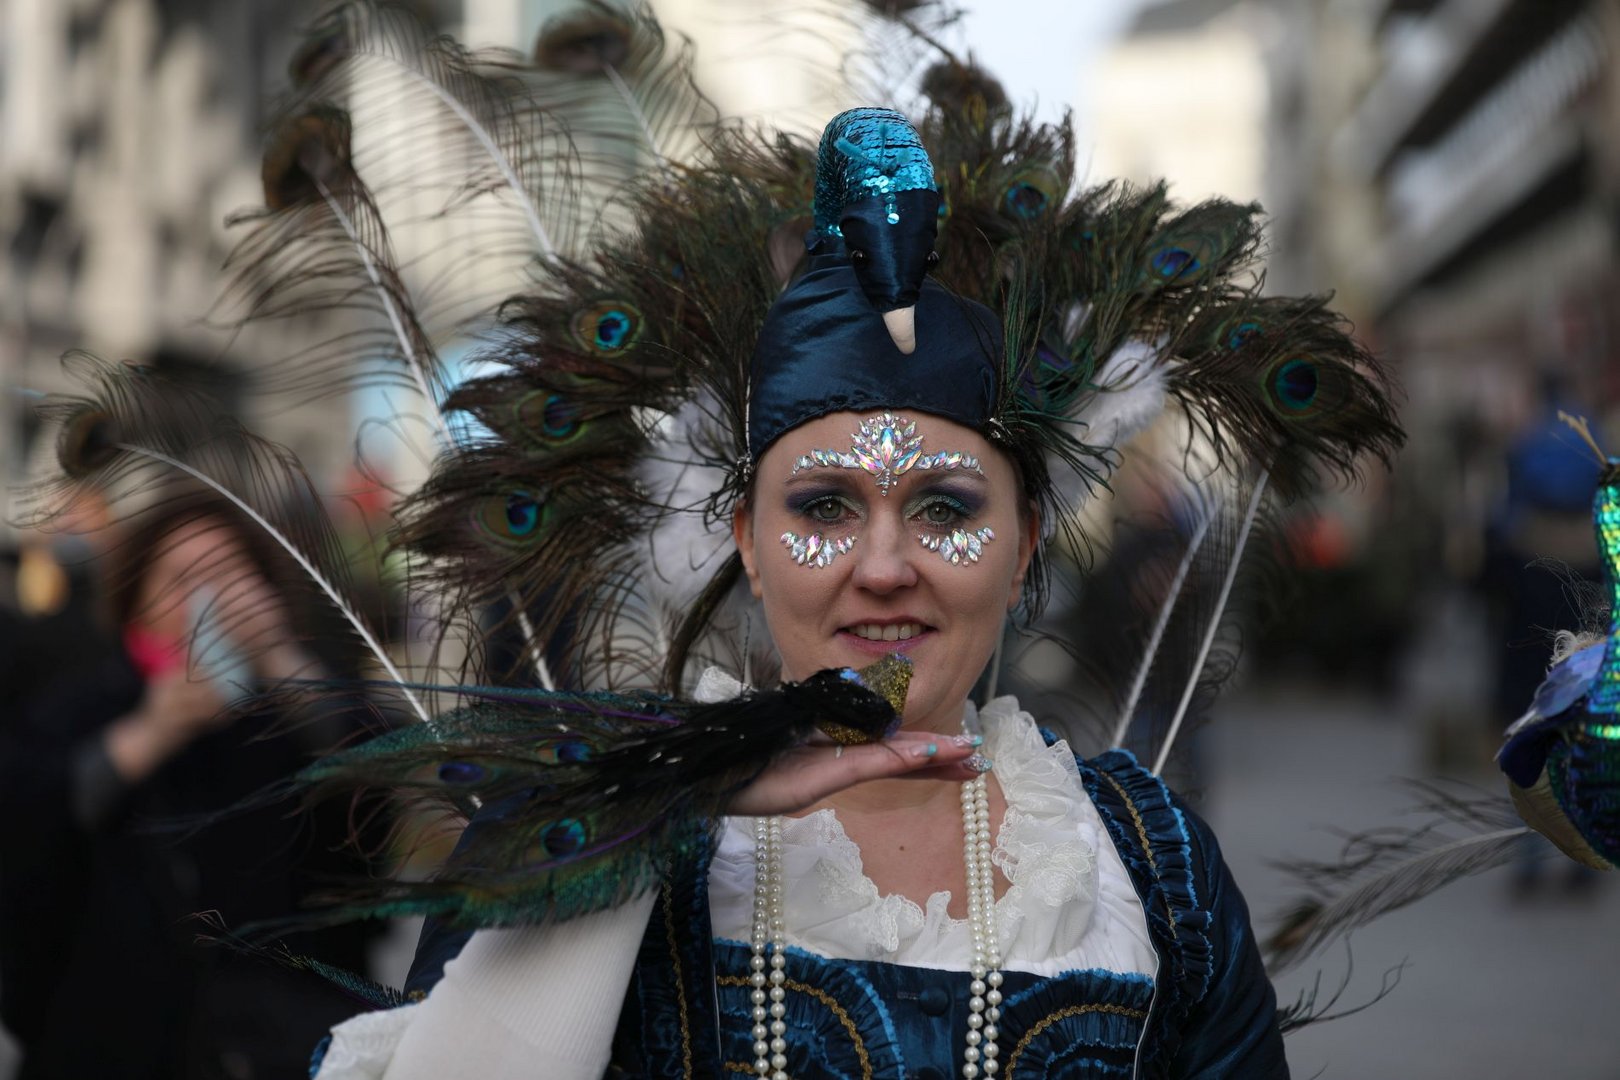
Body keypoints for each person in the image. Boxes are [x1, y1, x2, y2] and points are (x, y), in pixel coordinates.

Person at [290, 86, 1399, 1075]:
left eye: (946, 510)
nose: (882, 568)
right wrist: (653, 829)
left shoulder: (1149, 871)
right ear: (748, 545)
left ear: (1022, 554)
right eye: (822, 508)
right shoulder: (594, 830)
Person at [0, 481, 382, 1080]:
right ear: (137, 600)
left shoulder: (292, 711)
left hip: (281, 1040)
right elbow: (29, 825)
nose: (209, 599)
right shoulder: (87, 702)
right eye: (180, 581)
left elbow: (378, 781)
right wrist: (148, 734)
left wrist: (281, 662)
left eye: (230, 575)